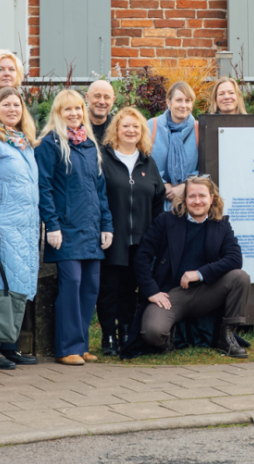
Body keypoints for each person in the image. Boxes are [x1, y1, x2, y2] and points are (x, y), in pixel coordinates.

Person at [133, 176, 250, 358]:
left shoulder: (221, 225)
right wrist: (151, 291)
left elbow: (235, 258)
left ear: (212, 199)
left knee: (240, 277)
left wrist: (200, 273)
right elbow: (142, 256)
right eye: (191, 196)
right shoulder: (165, 221)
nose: (197, 201)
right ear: (184, 199)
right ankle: (173, 338)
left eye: (202, 196)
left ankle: (225, 337)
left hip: (207, 292)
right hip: (170, 295)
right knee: (153, 332)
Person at [36, 89, 113, 367]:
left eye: (78, 109)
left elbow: (99, 189)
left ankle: (81, 346)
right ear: (57, 113)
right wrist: (51, 225)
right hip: (66, 229)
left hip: (91, 229)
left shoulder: (90, 145)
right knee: (72, 285)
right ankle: (66, 347)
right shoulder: (50, 144)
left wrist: (107, 225)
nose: (74, 114)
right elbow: (43, 186)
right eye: (67, 109)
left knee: (90, 287)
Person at [0, 87, 42, 369]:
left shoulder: (23, 142)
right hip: (1, 225)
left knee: (18, 285)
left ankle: (9, 344)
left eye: (17, 105)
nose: (12, 110)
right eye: (6, 105)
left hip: (25, 227)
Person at [97, 107, 165, 354]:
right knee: (109, 290)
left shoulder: (148, 161)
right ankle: (108, 337)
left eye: (135, 127)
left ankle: (126, 331)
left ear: (142, 132)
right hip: (112, 237)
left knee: (130, 288)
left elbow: (158, 199)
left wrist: (155, 237)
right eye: (125, 125)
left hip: (142, 240)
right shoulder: (103, 158)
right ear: (116, 129)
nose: (130, 130)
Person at [149, 82, 199, 201]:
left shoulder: (199, 129)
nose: (183, 105)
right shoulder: (151, 126)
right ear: (169, 102)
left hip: (189, 202)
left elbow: (206, 168)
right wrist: (161, 183)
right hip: (156, 201)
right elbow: (140, 162)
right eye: (179, 100)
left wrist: (186, 185)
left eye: (188, 101)